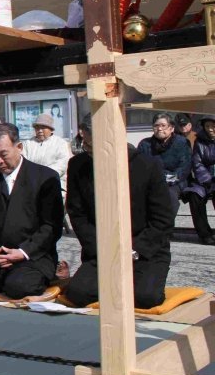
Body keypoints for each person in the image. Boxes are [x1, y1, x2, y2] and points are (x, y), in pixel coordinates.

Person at [65, 116, 173, 308]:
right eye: (86, 146)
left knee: (145, 298)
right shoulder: (78, 165)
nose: (89, 151)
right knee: (78, 293)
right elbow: (77, 214)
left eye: (93, 146)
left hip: (144, 249)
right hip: (103, 249)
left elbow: (162, 219)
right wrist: (102, 248)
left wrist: (133, 249)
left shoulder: (147, 165)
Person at [0, 123, 64, 299]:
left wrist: (23, 252)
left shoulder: (45, 177)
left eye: (3, 154)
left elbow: (51, 226)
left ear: (19, 147)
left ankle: (53, 272)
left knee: (19, 287)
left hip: (31, 256)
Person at [137, 112, 191, 211]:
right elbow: (140, 168)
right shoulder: (145, 144)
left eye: (163, 125)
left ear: (172, 128)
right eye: (156, 126)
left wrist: (167, 178)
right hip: (152, 182)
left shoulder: (182, 143)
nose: (160, 129)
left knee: (169, 196)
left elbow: (184, 169)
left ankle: (165, 225)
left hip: (175, 182)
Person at [184, 116, 215, 246]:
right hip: (205, 179)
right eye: (207, 126)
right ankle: (204, 234)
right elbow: (197, 162)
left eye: (213, 126)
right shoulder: (200, 141)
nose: (210, 129)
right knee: (195, 194)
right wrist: (206, 179)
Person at [22, 113, 72, 190]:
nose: (40, 131)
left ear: (51, 129)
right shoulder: (27, 144)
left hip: (54, 183)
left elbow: (62, 164)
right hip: (31, 184)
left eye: (43, 128)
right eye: (37, 128)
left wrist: (44, 175)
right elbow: (23, 162)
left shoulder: (60, 143)